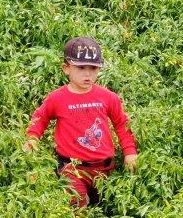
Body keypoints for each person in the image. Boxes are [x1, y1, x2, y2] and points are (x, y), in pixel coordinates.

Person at [24, 37, 138, 209]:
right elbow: (40, 118)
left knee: (108, 207)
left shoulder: (108, 97)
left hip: (105, 168)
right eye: (81, 68)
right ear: (66, 68)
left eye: (93, 68)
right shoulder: (57, 98)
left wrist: (130, 152)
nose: (87, 74)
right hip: (72, 168)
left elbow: (122, 124)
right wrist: (32, 138)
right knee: (78, 206)